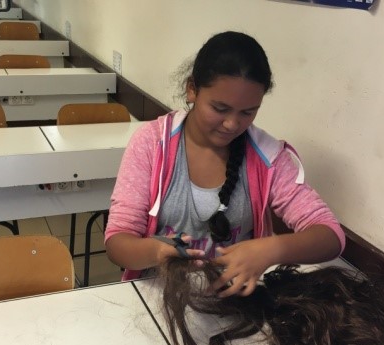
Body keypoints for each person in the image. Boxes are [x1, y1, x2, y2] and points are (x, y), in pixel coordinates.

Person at [105, 31, 345, 297]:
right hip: (156, 297)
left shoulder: (267, 157)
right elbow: (118, 244)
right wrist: (155, 251)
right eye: (220, 109)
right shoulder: (152, 143)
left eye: (248, 112)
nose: (232, 124)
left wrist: (270, 249)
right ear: (192, 89)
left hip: (232, 301)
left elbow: (331, 235)